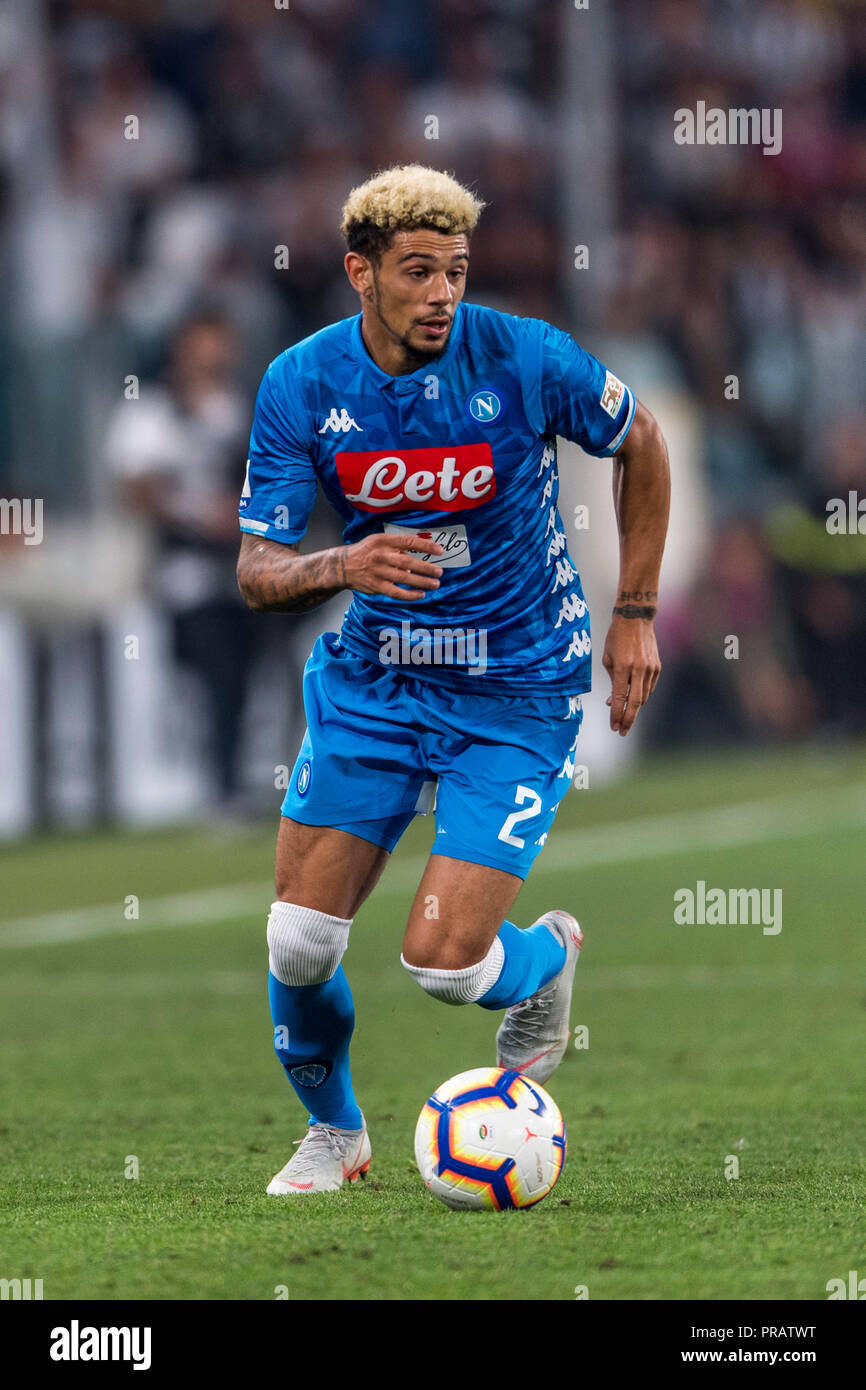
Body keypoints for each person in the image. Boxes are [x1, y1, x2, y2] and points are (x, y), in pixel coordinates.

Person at [236, 165, 670, 1194]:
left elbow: (639, 441)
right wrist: (343, 564)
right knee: (297, 940)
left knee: (440, 965)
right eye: (418, 271)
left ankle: (544, 964)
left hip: (513, 685)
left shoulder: (521, 354)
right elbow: (257, 572)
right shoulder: (300, 383)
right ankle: (335, 1135)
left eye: (456, 271)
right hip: (377, 680)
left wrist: (635, 613)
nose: (442, 293)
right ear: (360, 272)